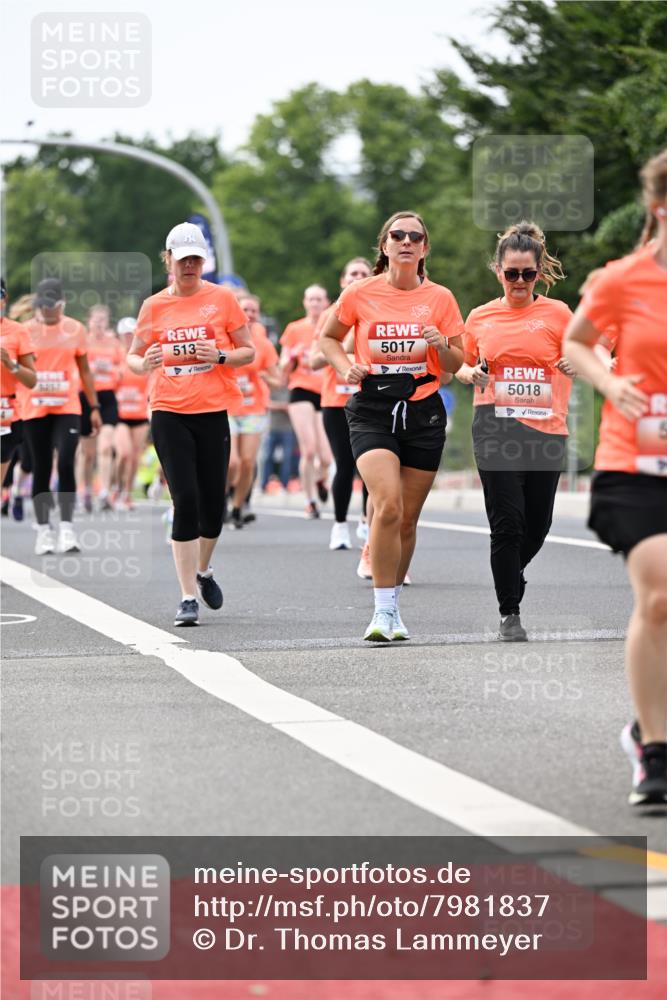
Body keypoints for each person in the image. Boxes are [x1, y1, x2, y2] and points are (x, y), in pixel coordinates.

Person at [563, 148, 667, 806]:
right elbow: (575, 341)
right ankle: (653, 750)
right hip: (634, 463)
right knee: (659, 593)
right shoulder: (621, 281)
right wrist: (608, 380)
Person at [320, 211, 464, 642]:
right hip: (372, 409)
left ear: (424, 249)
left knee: (407, 521)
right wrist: (346, 366)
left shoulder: (441, 298)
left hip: (423, 411)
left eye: (414, 236)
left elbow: (456, 366)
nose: (406, 241)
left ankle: (393, 606)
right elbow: (328, 338)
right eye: (397, 235)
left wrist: (441, 346)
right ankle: (381, 612)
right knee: (388, 505)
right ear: (384, 246)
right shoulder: (359, 293)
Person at [127, 222, 254, 626]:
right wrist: (142, 363)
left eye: (196, 260)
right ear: (168, 260)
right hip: (167, 409)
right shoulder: (154, 306)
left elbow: (247, 351)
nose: (190, 267)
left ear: (204, 261)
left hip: (212, 410)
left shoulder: (222, 299)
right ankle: (186, 597)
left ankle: (203, 570)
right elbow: (133, 356)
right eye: (182, 260)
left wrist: (219, 354)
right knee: (185, 499)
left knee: (213, 508)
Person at [456, 221, 574, 641]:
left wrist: (577, 362)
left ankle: (513, 571)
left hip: (546, 429)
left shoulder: (558, 315)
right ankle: (510, 611)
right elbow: (463, 363)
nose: (519, 282)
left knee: (536, 526)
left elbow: (589, 350)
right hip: (496, 425)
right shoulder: (481, 316)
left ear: (539, 273)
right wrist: (471, 373)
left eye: (527, 274)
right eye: (512, 274)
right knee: (507, 524)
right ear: (498, 271)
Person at [23, 278, 101, 554]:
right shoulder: (26, 331)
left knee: (67, 460)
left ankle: (67, 529)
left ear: (61, 303)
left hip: (67, 406)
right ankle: (44, 530)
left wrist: (94, 408)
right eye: (42, 306)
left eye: (51, 306)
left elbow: (85, 371)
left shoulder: (75, 329)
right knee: (42, 466)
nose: (46, 311)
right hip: (34, 407)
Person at [311, 258, 372, 550]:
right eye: (353, 274)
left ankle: (366, 521)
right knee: (345, 464)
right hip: (336, 400)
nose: (358, 277)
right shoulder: (330, 315)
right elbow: (313, 360)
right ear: (342, 281)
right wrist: (342, 347)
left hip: (369, 398)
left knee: (372, 466)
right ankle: (339, 526)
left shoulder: (377, 310)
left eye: (363, 273)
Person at [227, 295, 282, 529]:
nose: (249, 314)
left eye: (253, 310)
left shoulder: (263, 343)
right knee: (232, 463)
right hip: (227, 407)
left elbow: (278, 381)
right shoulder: (225, 337)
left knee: (248, 462)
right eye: (245, 309)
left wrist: (264, 377)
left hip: (253, 409)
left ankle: (238, 507)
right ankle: (221, 501)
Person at [280, 285, 333, 518]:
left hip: (326, 392)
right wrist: (292, 356)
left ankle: (321, 479)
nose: (314, 304)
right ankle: (310, 500)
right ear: (304, 303)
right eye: (310, 299)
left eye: (319, 299)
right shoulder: (294, 329)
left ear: (327, 303)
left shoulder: (332, 326)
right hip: (300, 390)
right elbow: (282, 368)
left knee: (326, 456)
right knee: (308, 449)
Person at [77, 304, 123, 511]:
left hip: (107, 397)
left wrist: (111, 370)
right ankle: (83, 491)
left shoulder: (114, 343)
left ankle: (104, 492)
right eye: (96, 320)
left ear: (107, 322)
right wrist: (89, 371)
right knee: (87, 453)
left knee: (106, 446)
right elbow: (72, 367)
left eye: (103, 320)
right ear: (89, 321)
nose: (99, 324)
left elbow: (123, 370)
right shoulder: (82, 341)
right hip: (85, 396)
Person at [1, 278, 37, 487]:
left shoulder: (17, 331)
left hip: (6, 412)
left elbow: (32, 380)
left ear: (4, 299)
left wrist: (10, 363)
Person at [114, 316, 150, 510]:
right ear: (120, 336)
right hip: (119, 414)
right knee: (124, 453)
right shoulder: (115, 355)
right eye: (125, 335)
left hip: (139, 413)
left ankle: (126, 494)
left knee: (135, 456)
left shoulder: (141, 356)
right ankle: (117, 487)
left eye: (132, 334)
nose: (129, 338)